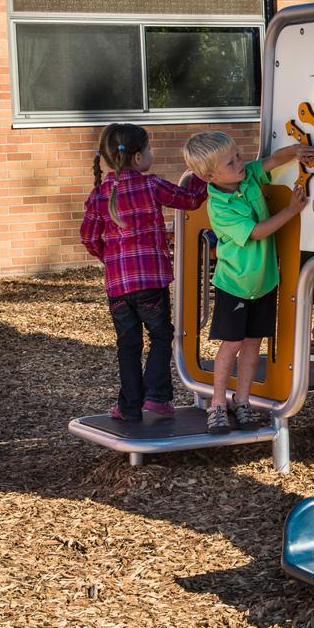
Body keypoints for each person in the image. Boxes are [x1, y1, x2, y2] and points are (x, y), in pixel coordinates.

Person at [183, 130, 314, 433]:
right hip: (236, 285)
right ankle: (217, 403)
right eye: (231, 163)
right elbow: (257, 231)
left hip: (265, 281)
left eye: (238, 156)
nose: (241, 163)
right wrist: (291, 211)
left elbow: (269, 161)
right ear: (210, 175)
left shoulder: (248, 178)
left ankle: (242, 400)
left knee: (254, 343)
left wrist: (294, 151)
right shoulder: (220, 207)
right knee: (233, 344)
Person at [80, 123, 208, 422]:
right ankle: (158, 398)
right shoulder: (151, 186)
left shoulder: (99, 194)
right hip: (151, 281)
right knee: (161, 336)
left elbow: (88, 238)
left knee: (128, 344)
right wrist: (202, 176)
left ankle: (128, 407)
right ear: (137, 158)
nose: (152, 154)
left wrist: (109, 259)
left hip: (118, 286)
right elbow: (190, 200)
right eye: (149, 149)